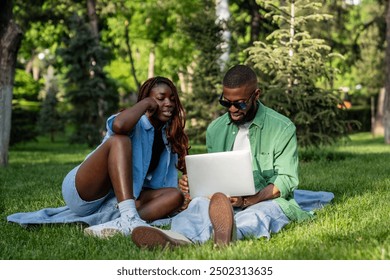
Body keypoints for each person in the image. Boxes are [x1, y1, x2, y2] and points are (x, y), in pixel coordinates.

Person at [130, 65, 331, 248]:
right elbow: (216, 171)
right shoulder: (216, 129)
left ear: (256, 95)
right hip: (223, 201)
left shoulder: (281, 127)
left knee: (261, 214)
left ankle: (230, 234)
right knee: (198, 205)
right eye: (226, 102)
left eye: (240, 104)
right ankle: (178, 238)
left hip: (263, 200)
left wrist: (247, 201)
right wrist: (196, 186)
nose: (232, 109)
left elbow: (286, 180)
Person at [7, 76, 190, 238]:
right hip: (86, 191)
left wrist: (180, 199)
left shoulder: (168, 138)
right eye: (161, 98)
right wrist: (145, 104)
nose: (169, 103)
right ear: (148, 101)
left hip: (117, 200)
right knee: (119, 141)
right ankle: (129, 217)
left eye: (172, 99)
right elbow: (119, 126)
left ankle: (117, 223)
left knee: (174, 195)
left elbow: (160, 186)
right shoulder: (133, 121)